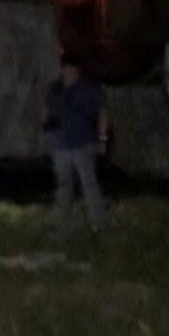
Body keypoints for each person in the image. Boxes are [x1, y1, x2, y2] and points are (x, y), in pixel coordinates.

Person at [43, 52, 109, 238]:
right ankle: (62, 228)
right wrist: (50, 138)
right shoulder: (55, 89)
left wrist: (102, 138)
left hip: (83, 145)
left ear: (78, 71)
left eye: (72, 70)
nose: (69, 73)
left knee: (89, 186)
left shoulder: (88, 89)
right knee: (64, 188)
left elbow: (102, 113)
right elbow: (49, 115)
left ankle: (98, 225)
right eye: (66, 70)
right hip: (61, 147)